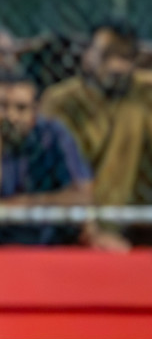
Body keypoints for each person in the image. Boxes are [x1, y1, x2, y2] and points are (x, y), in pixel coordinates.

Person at [0, 73, 95, 246]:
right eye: (0, 106)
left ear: (35, 110)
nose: (11, 117)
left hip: (44, 243)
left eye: (21, 108)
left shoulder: (53, 135)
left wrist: (21, 205)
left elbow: (82, 195)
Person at [41, 21, 152, 213]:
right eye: (107, 55)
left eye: (125, 57)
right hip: (76, 212)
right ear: (88, 56)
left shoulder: (141, 94)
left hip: (135, 213)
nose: (117, 66)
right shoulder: (62, 100)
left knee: (134, 113)